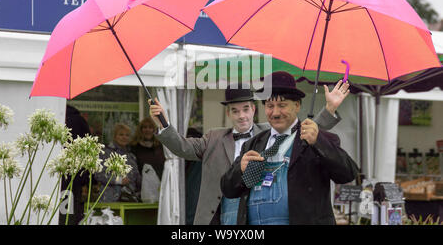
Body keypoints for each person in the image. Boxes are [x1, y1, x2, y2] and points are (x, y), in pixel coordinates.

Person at [149, 77, 350, 225]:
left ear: (254, 109)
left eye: (246, 109)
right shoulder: (213, 138)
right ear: (228, 113)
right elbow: (182, 147)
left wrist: (329, 109)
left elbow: (304, 131)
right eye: (235, 111)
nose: (241, 116)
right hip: (220, 215)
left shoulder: (268, 132)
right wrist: (164, 125)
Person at [220, 71, 359, 225]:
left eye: (282, 105)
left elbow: (348, 173)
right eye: (270, 106)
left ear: (297, 105)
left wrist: (318, 141)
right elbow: (228, 190)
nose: (276, 112)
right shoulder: (253, 144)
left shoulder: (315, 139)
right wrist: (240, 169)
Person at [59, 104, 92, 225]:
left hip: (58, 175)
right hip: (73, 179)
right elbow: (88, 151)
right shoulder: (79, 120)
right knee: (68, 214)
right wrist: (87, 181)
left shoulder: (57, 117)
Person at [95, 123, 141, 202]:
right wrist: (118, 180)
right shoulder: (105, 153)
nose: (124, 137)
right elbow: (99, 175)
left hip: (130, 199)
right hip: (110, 199)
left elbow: (137, 178)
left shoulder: (131, 156)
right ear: (115, 136)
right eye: (121, 134)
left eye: (127, 135)